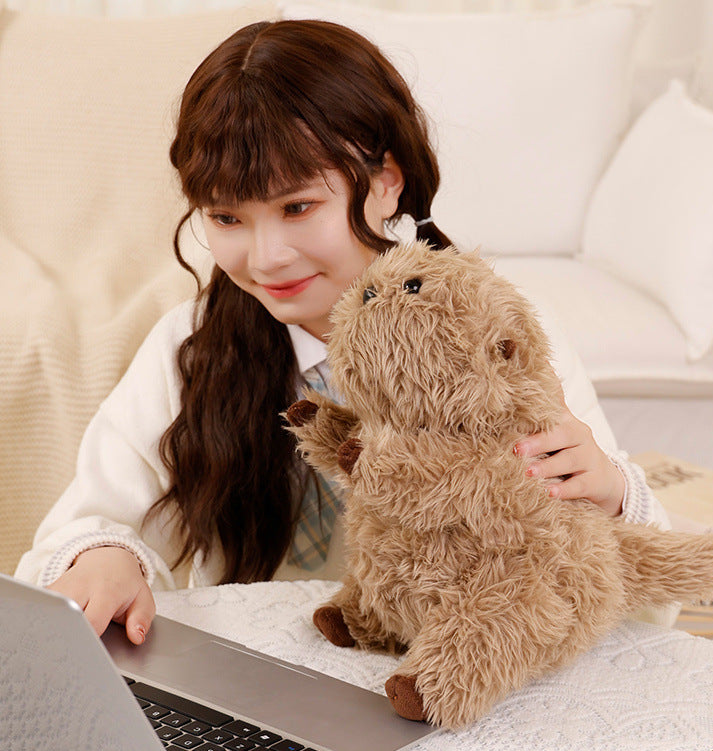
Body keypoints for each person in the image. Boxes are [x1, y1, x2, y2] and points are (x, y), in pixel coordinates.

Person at [15, 19, 669, 645]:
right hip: (260, 705)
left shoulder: (501, 334)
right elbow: (80, 528)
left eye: (297, 207)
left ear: (386, 183)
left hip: (461, 689)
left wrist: (612, 494)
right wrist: (103, 555)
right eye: (226, 217)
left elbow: (641, 601)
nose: (265, 257)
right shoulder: (190, 350)